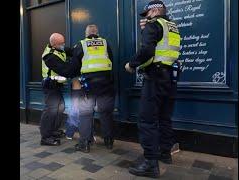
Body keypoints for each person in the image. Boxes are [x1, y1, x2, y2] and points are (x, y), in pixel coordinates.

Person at [124, 0, 181, 178]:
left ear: (154, 10)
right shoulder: (172, 26)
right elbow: (162, 50)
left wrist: (131, 64)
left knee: (147, 119)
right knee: (164, 117)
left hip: (155, 77)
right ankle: (165, 152)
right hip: (170, 77)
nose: (145, 18)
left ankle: (150, 163)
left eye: (147, 14)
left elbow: (148, 51)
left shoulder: (154, 24)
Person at [70, 24, 115, 153]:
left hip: (88, 85)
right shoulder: (105, 43)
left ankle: (85, 143)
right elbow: (111, 61)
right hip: (106, 83)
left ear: (86, 33)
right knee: (106, 112)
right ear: (97, 33)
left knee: (85, 113)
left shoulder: (82, 44)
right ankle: (109, 141)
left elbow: (74, 66)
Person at [40, 33, 75, 146]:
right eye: (61, 44)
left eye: (63, 42)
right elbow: (64, 70)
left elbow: (72, 51)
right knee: (51, 110)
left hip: (57, 86)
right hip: (50, 86)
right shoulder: (49, 57)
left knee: (60, 107)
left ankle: (53, 130)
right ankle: (45, 137)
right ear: (54, 44)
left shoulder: (60, 49)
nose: (63, 45)